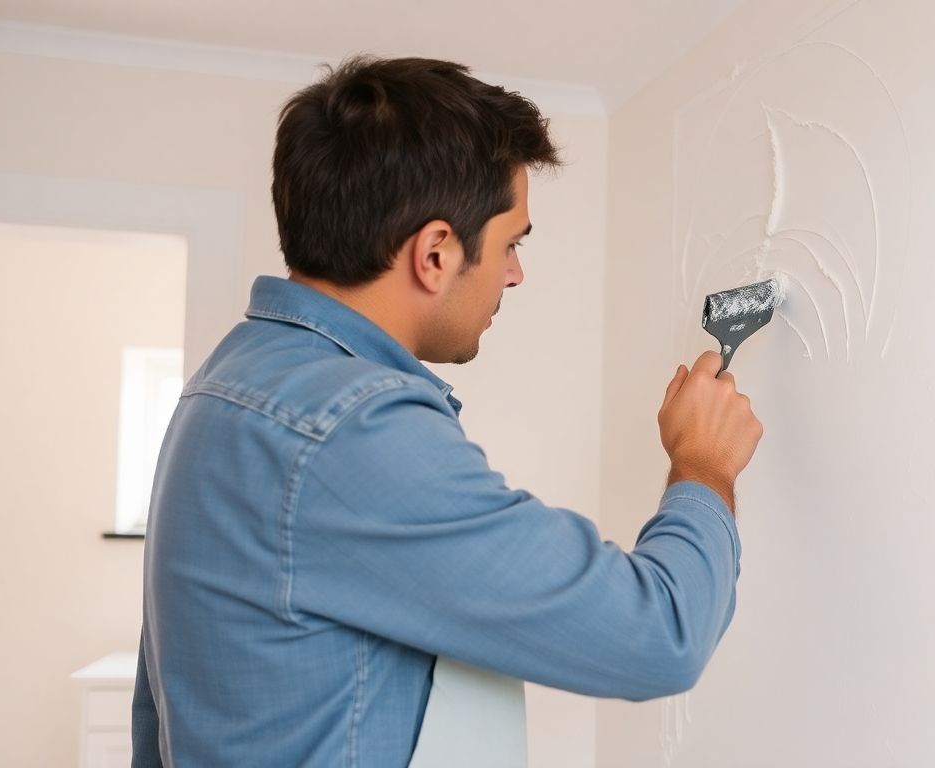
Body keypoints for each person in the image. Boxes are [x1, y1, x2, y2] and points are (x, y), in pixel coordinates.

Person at [132, 56, 763, 766]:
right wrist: (703, 465)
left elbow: (160, 713)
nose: (515, 272)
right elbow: (659, 635)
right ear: (435, 253)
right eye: (511, 242)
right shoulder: (349, 432)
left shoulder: (228, 382)